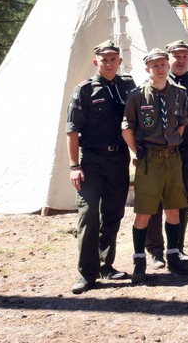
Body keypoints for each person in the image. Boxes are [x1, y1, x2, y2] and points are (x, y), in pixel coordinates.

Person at [65, 40, 137, 294]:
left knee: (113, 214)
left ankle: (106, 265)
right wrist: (74, 166)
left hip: (119, 160)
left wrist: (137, 151)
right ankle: (87, 273)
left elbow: (136, 120)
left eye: (113, 59)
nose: (108, 64)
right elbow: (72, 131)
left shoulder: (127, 86)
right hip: (92, 161)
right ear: (96, 61)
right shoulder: (84, 90)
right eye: (104, 60)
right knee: (88, 215)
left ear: (119, 61)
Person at [122, 48, 188, 282]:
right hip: (149, 160)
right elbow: (127, 128)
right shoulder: (137, 96)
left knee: (173, 209)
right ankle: (139, 261)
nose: (160, 69)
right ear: (148, 69)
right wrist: (139, 152)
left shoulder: (179, 94)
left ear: (168, 66)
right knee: (144, 212)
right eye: (155, 66)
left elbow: (181, 124)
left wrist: (171, 143)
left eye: (163, 64)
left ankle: (173, 257)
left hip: (172, 158)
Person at [145, 40, 188, 269]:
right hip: (160, 152)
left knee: (182, 200)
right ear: (168, 59)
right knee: (156, 202)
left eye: (184, 56)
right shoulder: (158, 80)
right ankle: (156, 250)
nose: (180, 60)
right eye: (176, 56)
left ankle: (177, 247)